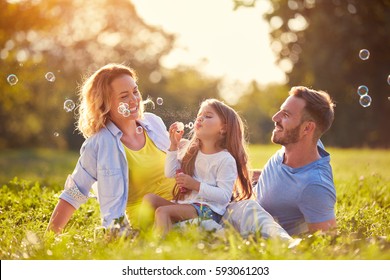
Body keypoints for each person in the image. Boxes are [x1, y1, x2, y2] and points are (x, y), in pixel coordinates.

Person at [46, 63, 175, 235]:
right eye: (124, 96)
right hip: (150, 223)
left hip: (182, 207)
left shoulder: (153, 122)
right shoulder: (99, 143)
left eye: (135, 92)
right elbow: (74, 192)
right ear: (105, 104)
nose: (134, 100)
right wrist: (49, 238)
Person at [224, 86, 336, 237]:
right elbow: (278, 179)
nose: (275, 118)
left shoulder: (315, 186)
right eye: (280, 111)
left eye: (286, 115)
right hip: (241, 196)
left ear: (307, 128)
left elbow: (327, 240)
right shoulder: (301, 146)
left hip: (245, 219)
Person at [142, 99, 254, 235]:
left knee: (162, 211)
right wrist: (173, 146)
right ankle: (145, 235)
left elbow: (224, 196)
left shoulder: (225, 159)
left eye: (208, 116)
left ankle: (161, 249)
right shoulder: (192, 151)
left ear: (223, 128)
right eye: (199, 115)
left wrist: (195, 185)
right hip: (187, 205)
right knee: (149, 200)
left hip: (208, 211)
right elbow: (170, 173)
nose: (200, 118)